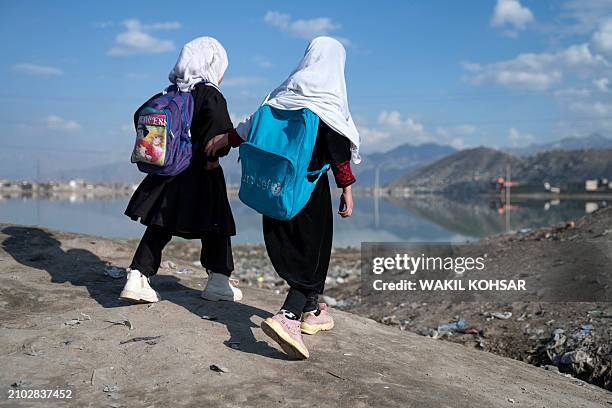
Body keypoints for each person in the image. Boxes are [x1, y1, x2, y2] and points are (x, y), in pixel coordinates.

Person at [205, 36, 360, 359]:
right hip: (307, 193)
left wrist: (223, 141)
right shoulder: (326, 102)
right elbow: (338, 153)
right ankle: (289, 316)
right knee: (313, 254)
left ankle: (313, 312)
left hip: (272, 190)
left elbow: (250, 129)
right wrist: (346, 189)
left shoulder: (280, 96)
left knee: (296, 252)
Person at [120, 36, 242, 304]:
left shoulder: (170, 93)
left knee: (160, 225)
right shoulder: (212, 95)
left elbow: (141, 116)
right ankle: (219, 281)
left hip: (169, 172)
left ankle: (138, 276)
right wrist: (216, 154)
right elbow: (219, 134)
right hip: (203, 171)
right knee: (216, 225)